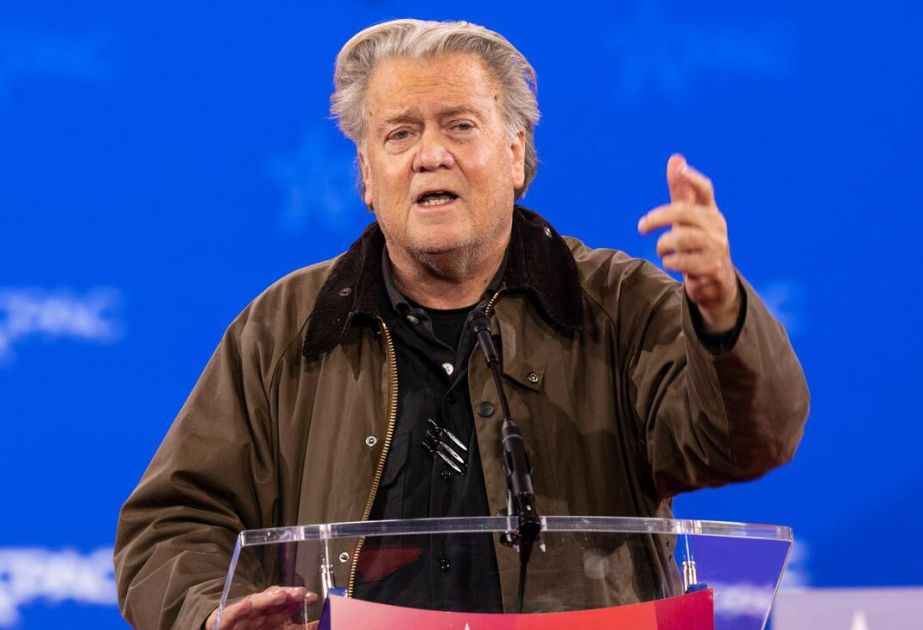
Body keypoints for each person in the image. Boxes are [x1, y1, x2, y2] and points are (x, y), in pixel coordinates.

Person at [114, 18, 809, 630]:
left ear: (515, 153)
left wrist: (722, 313)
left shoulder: (616, 305)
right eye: (400, 133)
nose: (430, 155)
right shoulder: (284, 330)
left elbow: (744, 441)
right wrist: (211, 614)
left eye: (459, 125)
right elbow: (170, 524)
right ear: (366, 174)